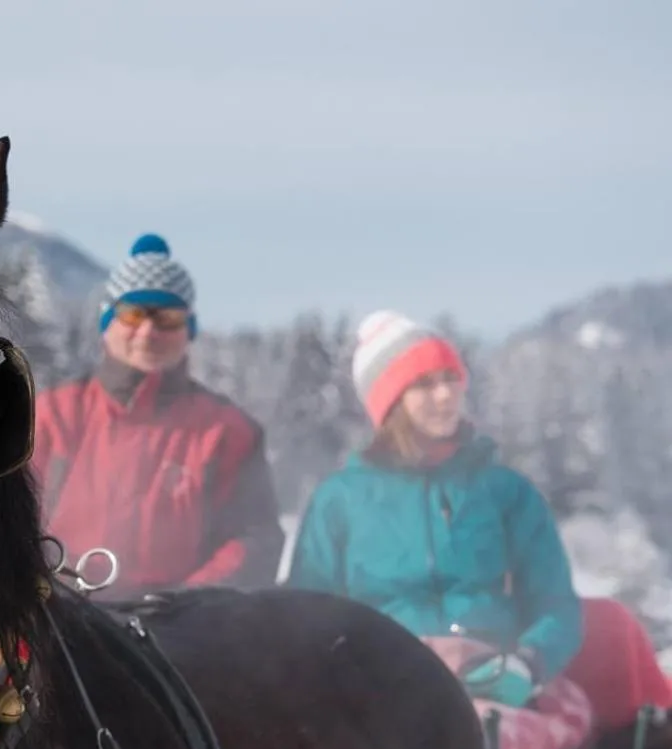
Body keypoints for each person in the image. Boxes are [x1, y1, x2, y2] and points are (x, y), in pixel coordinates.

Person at [286, 310, 582, 705]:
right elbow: (305, 614)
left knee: (486, 744)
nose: (445, 395)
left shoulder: (505, 492)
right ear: (390, 403)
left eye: (451, 379)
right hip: (383, 686)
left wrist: (529, 662)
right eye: (424, 384)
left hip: (492, 681)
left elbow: (555, 604)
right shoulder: (340, 500)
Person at [32, 234, 283, 600]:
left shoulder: (228, 431)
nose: (148, 331)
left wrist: (182, 604)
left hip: (178, 634)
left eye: (167, 317)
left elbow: (256, 540)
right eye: (133, 314)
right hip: (58, 617)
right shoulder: (49, 416)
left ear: (188, 329)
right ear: (108, 321)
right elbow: (4, 523)